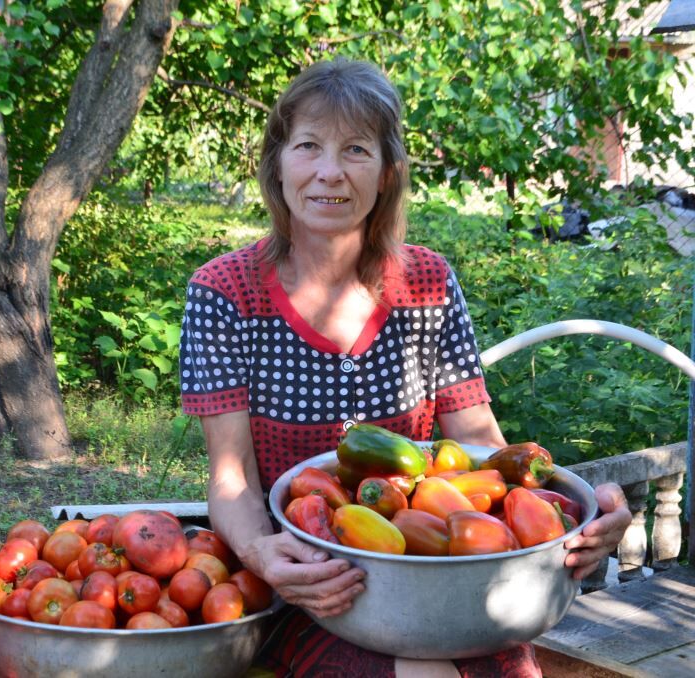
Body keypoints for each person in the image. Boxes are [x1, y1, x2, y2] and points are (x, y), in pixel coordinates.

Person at [179, 59, 631, 677]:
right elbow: (232, 480)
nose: (329, 171)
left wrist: (578, 511)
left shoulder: (427, 283)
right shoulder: (225, 292)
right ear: (277, 163)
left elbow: (480, 447)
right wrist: (262, 553)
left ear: (387, 171)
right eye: (308, 145)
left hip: (438, 573)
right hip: (308, 580)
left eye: (356, 149)